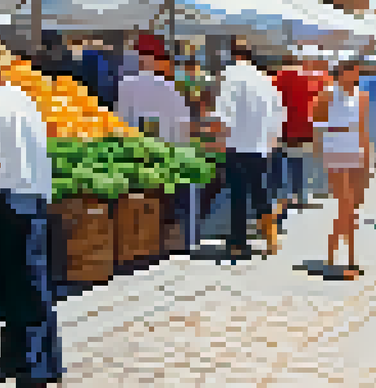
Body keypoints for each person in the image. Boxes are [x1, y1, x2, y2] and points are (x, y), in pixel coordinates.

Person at [0, 35, 62, 387]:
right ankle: (25, 357)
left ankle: (35, 365)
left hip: (8, 199)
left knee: (18, 283)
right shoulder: (21, 99)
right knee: (28, 281)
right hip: (31, 196)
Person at [116, 34, 197, 251]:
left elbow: (120, 121)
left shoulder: (126, 85)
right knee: (168, 198)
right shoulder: (170, 89)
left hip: (136, 151)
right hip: (169, 150)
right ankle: (170, 237)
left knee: (143, 197)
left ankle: (142, 240)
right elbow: (183, 125)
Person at [213, 38, 285, 260]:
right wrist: (272, 141)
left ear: (232, 54)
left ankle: (238, 242)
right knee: (260, 191)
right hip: (260, 143)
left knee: (238, 194)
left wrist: (217, 136)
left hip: (237, 142)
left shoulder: (230, 76)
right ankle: (271, 238)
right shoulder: (264, 79)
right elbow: (278, 112)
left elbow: (226, 111)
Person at [315, 57, 371, 279]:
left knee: (352, 207)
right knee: (345, 203)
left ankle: (331, 253)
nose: (357, 76)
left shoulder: (362, 97)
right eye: (353, 71)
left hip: (354, 149)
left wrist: (367, 158)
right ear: (342, 72)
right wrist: (320, 153)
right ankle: (350, 259)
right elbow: (317, 126)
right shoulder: (328, 94)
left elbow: (364, 129)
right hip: (335, 148)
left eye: (358, 72)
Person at [272, 48, 328, 212]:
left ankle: (287, 196)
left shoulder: (275, 80)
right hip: (308, 129)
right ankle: (302, 195)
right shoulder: (312, 79)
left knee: (284, 163)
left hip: (284, 129)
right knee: (303, 163)